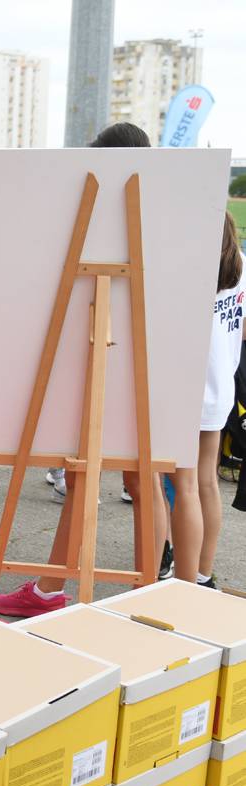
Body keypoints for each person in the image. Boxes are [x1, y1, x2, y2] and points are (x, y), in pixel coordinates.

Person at [0, 121, 172, 616]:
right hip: (125, 353)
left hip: (133, 355)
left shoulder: (139, 213)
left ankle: (141, 589)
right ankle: (77, 588)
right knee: (105, 473)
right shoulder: (158, 211)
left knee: (133, 474)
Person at [169, 213, 244, 587]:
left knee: (184, 487)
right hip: (220, 386)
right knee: (207, 483)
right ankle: (201, 574)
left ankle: (184, 582)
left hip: (190, 387)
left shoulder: (194, 272)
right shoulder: (240, 265)